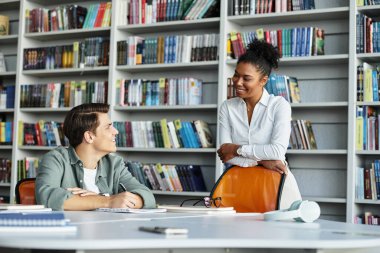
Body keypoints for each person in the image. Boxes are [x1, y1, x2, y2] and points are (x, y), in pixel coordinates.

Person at [217, 39, 301, 209]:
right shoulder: (227, 107)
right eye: (236, 75)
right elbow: (224, 154)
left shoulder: (279, 105)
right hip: (237, 185)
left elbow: (277, 151)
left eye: (246, 78)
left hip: (276, 183)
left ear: (263, 80)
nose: (238, 82)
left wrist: (237, 149)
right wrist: (263, 162)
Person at [36, 103, 156, 211]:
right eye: (108, 126)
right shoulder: (56, 159)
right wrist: (109, 201)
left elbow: (147, 197)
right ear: (89, 136)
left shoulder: (114, 164)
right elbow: (46, 197)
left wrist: (97, 198)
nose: (116, 132)